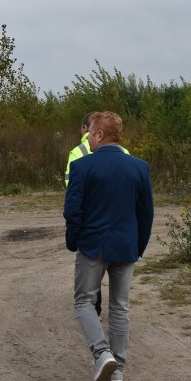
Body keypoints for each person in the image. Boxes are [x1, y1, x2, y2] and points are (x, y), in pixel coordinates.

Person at [63, 112, 153, 381]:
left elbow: (72, 211)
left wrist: (73, 241)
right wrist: (137, 247)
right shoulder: (139, 168)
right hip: (126, 246)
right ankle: (118, 371)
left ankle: (102, 353)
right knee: (120, 307)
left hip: (93, 246)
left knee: (83, 302)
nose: (88, 138)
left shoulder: (83, 167)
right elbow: (146, 213)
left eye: (90, 133)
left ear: (100, 135)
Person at [65, 112, 131, 317]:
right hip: (120, 220)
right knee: (120, 302)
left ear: (88, 129)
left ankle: (94, 310)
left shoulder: (77, 152)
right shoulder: (125, 152)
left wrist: (73, 236)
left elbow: (71, 186)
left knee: (90, 277)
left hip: (90, 218)